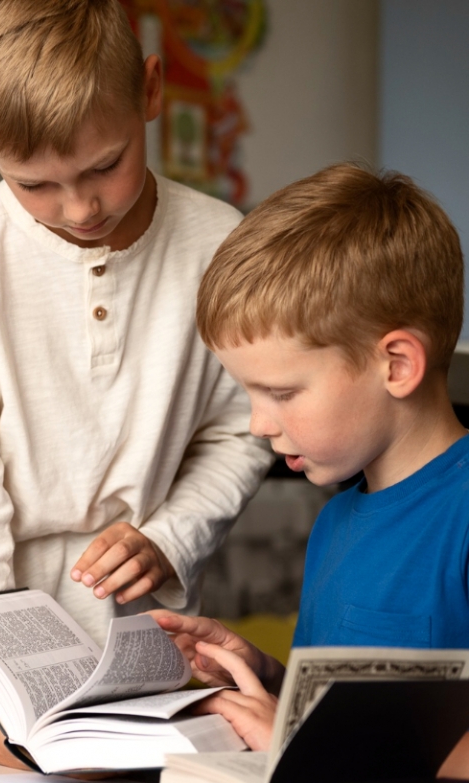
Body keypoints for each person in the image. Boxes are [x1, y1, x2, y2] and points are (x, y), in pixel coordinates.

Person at [0, 0, 274, 765]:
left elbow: (244, 424)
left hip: (148, 646)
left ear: (150, 89)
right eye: (33, 184)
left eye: (104, 165)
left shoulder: (223, 246)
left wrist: (172, 534)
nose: (79, 207)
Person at [150, 163, 469, 776]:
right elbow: (344, 706)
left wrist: (297, 743)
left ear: (397, 365)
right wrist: (266, 678)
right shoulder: (336, 522)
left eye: (282, 393)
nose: (257, 424)